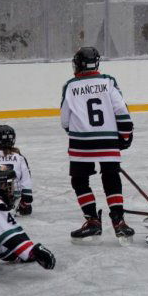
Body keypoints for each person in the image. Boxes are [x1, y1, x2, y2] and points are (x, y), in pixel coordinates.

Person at [60, 47, 135, 244]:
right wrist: (125, 135)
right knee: (111, 177)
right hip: (108, 140)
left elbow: (65, 121)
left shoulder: (70, 85)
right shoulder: (108, 82)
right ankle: (119, 222)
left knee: (79, 180)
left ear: (77, 64)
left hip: (80, 142)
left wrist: (78, 132)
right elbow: (121, 111)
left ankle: (92, 220)